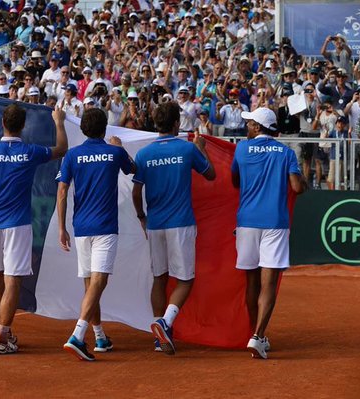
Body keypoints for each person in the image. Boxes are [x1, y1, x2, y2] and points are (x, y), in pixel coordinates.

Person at [0, 105, 68, 354]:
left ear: (3, 123)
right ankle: (2, 336)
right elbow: (62, 149)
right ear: (22, 126)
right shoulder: (30, 151)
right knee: (13, 280)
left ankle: (4, 332)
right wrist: (59, 121)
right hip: (18, 225)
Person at [131, 102, 216, 355]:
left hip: (155, 224)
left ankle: (159, 337)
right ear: (177, 124)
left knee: (160, 278)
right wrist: (202, 148)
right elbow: (210, 174)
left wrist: (141, 217)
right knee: (186, 280)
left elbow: (137, 191)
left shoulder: (144, 154)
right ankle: (165, 324)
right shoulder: (188, 149)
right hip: (181, 223)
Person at [57, 108, 135, 361]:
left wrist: (61, 227)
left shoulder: (72, 155)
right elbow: (133, 169)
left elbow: (61, 192)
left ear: (83, 129)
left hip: (81, 227)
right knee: (98, 283)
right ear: (105, 129)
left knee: (91, 284)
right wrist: (119, 146)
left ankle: (100, 336)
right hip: (104, 227)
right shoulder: (114, 153)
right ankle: (78, 336)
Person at [231, 107, 307, 359]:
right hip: (275, 222)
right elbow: (297, 187)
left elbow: (235, 181)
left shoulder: (241, 149)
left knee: (251, 282)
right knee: (269, 284)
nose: (247, 125)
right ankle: (258, 336)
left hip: (247, 222)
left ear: (257, 127)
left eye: (249, 122)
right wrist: (302, 179)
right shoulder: (286, 153)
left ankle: (256, 334)